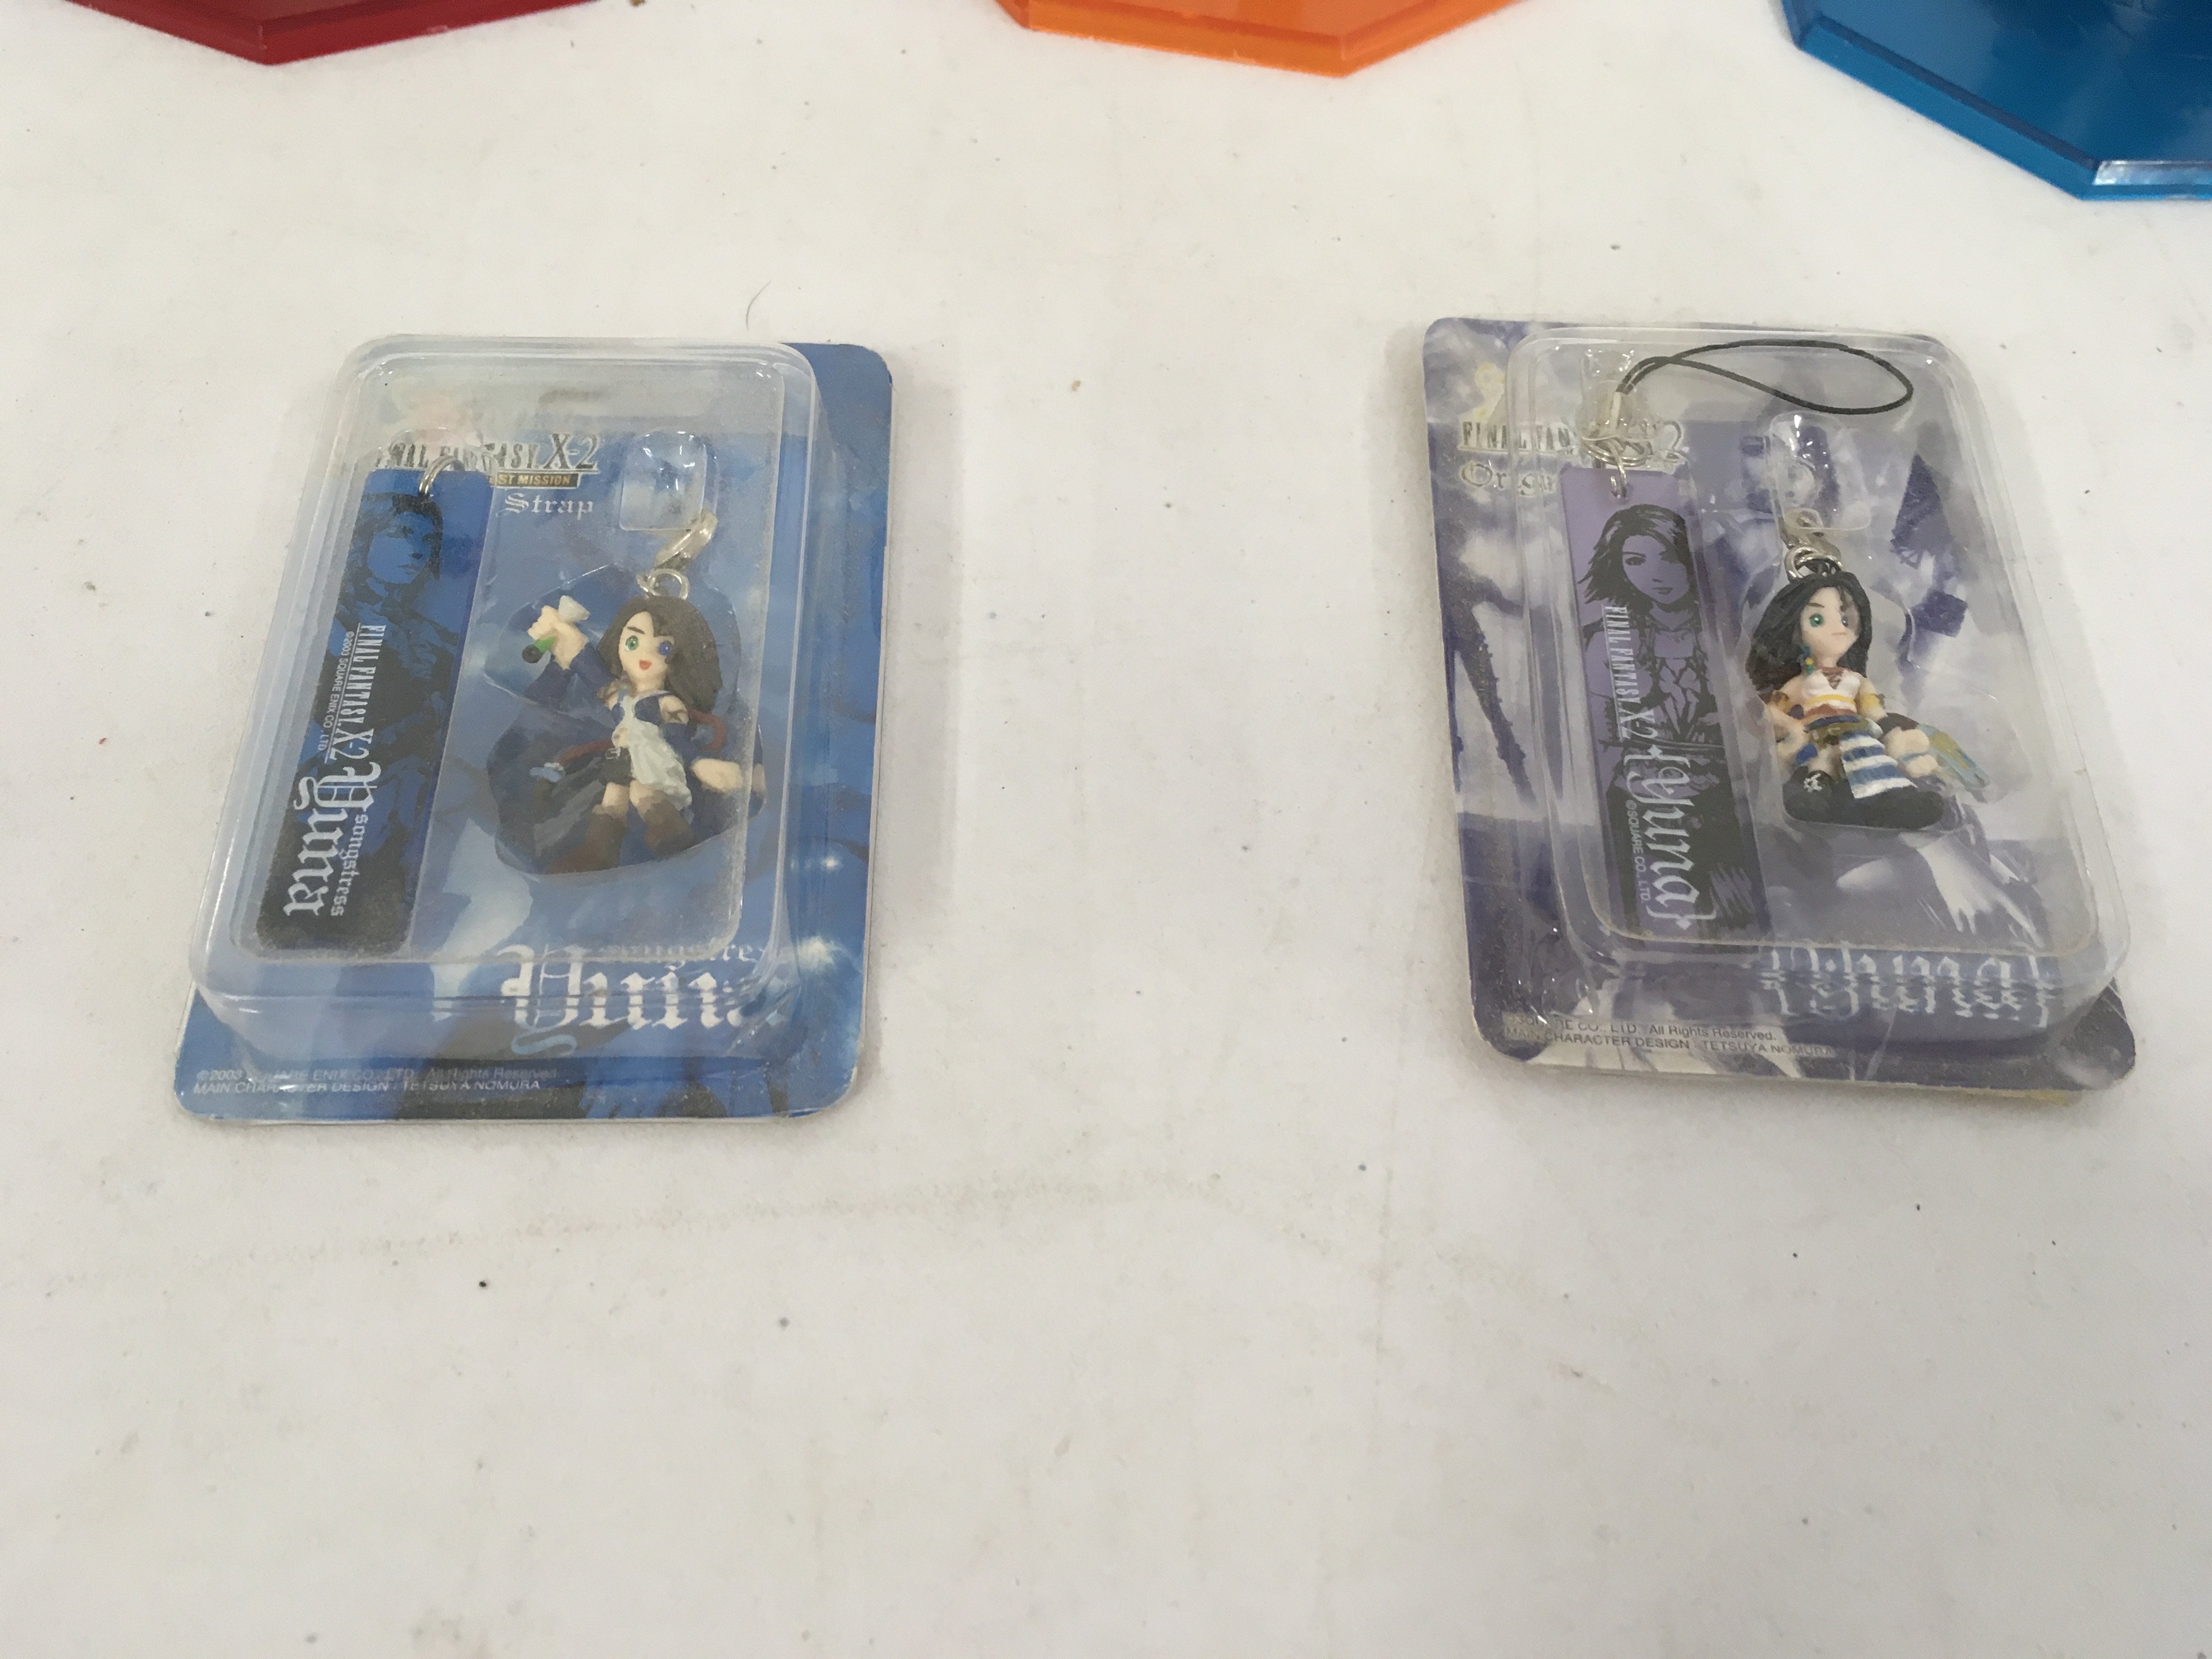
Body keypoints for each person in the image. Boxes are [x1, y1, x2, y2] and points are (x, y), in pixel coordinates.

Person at [526, 591, 747, 871]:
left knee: (644, 794)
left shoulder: (668, 703)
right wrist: (568, 638)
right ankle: (597, 851)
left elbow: (677, 737)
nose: (645, 655)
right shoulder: (621, 696)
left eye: (663, 648)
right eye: (633, 642)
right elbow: (594, 675)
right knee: (612, 800)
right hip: (623, 755)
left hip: (653, 758)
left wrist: (698, 763)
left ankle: (673, 834)